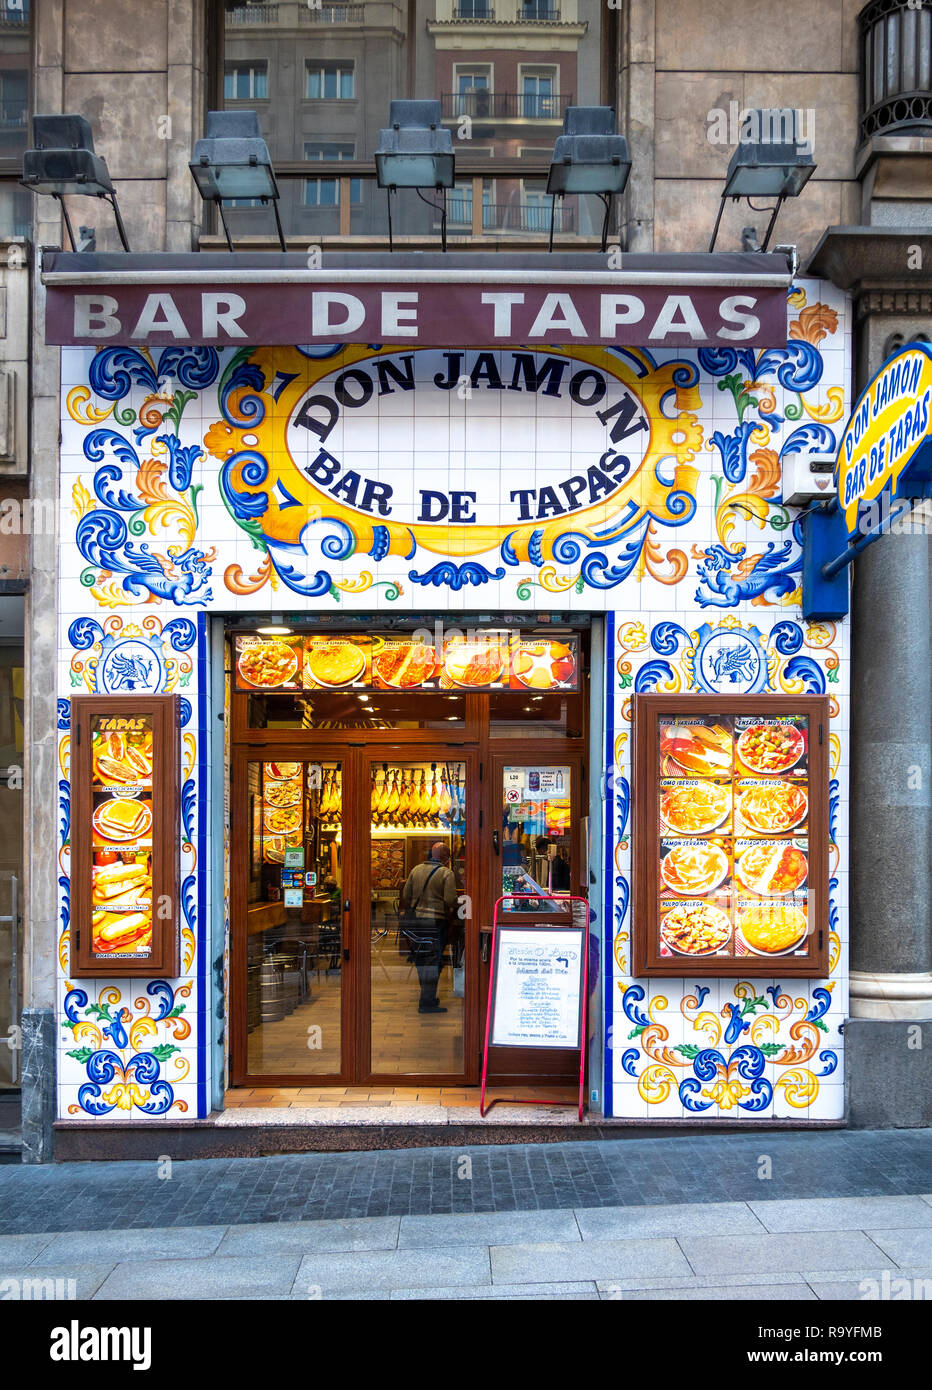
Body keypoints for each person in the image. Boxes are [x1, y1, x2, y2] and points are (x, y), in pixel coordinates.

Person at [400, 842, 458, 1014]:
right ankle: (427, 1001)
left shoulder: (415, 870)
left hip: (417, 922)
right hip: (436, 921)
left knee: (421, 959)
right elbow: (450, 899)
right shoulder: (446, 873)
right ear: (445, 857)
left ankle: (427, 996)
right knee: (433, 960)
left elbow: (406, 895)